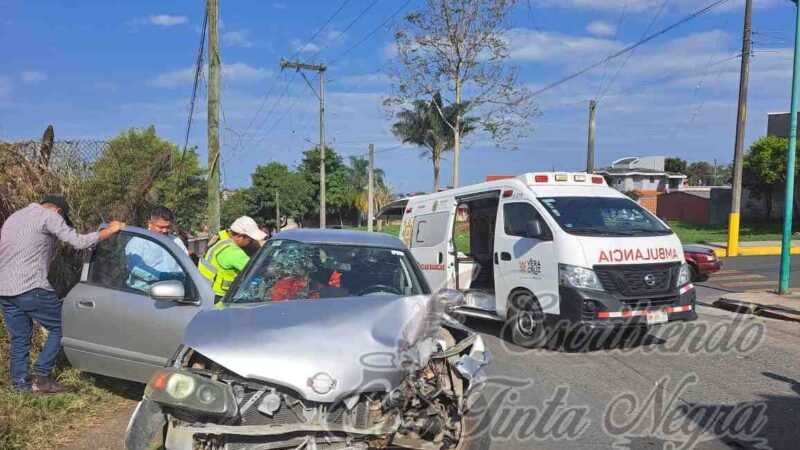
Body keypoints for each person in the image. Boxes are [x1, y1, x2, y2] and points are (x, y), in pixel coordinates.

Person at [0, 196, 125, 393]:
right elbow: (79, 242)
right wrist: (111, 230)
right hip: (31, 286)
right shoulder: (49, 216)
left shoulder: (15, 217)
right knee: (64, 325)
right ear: (58, 211)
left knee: (20, 338)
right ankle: (41, 376)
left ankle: (20, 385)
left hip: (5, 289)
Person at [198, 216, 266, 302]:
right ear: (240, 237)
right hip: (219, 297)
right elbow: (258, 270)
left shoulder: (223, 243)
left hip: (206, 292)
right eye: (250, 239)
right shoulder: (234, 253)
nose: (252, 242)